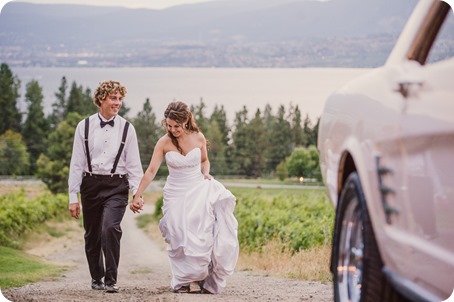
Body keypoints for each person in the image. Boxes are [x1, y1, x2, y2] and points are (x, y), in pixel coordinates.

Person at [130, 101, 239, 294]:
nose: (173, 130)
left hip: (197, 189)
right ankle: (183, 278)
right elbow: (151, 170)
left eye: (176, 126)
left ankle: (197, 279)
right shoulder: (164, 142)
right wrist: (137, 195)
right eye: (169, 125)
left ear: (186, 121)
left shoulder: (198, 137)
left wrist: (206, 173)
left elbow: (205, 161)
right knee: (177, 233)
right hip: (175, 192)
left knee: (199, 235)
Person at [68, 80, 144, 293]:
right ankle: (96, 277)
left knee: (110, 228)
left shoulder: (128, 129)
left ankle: (111, 279)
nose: (117, 103)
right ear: (101, 99)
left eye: (120, 99)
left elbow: (134, 166)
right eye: (113, 98)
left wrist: (137, 195)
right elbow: (76, 163)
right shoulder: (83, 126)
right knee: (92, 234)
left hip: (117, 186)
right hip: (90, 184)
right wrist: (73, 197)